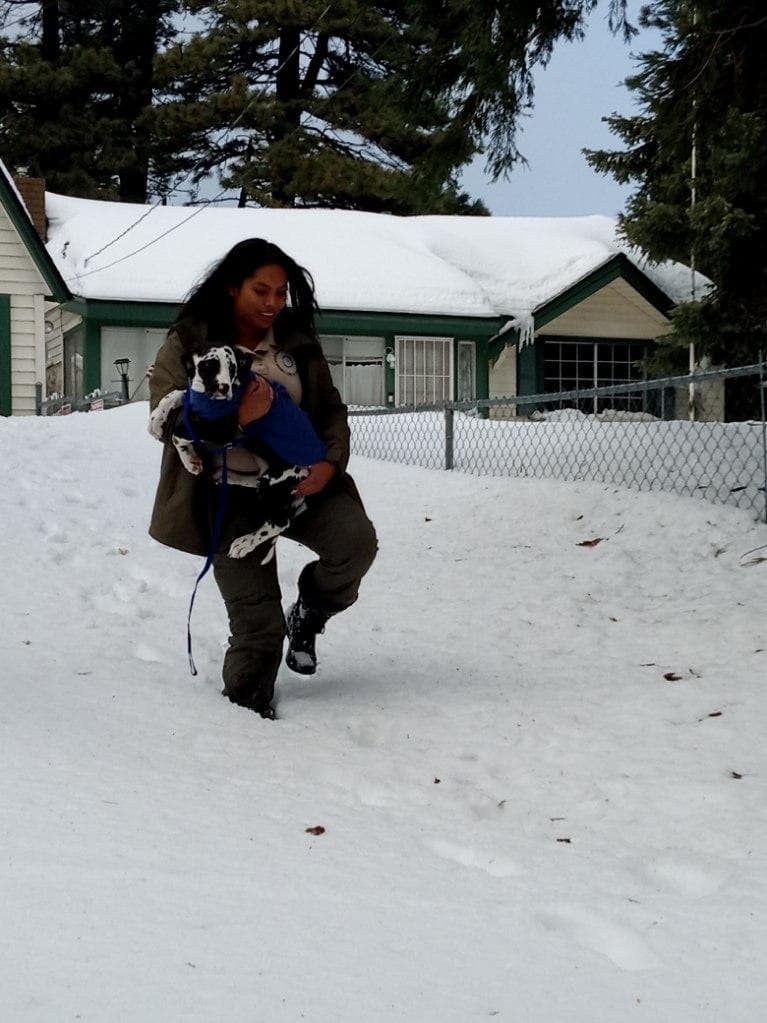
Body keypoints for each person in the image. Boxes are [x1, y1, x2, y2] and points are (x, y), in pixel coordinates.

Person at [148, 238, 378, 719]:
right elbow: (167, 418)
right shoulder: (191, 341)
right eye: (261, 291)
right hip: (227, 497)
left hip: (300, 481)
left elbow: (331, 409)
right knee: (257, 626)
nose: (274, 302)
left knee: (355, 545)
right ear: (233, 288)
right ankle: (248, 718)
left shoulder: (296, 341)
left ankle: (311, 611)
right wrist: (237, 419)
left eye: (281, 292)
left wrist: (330, 464)